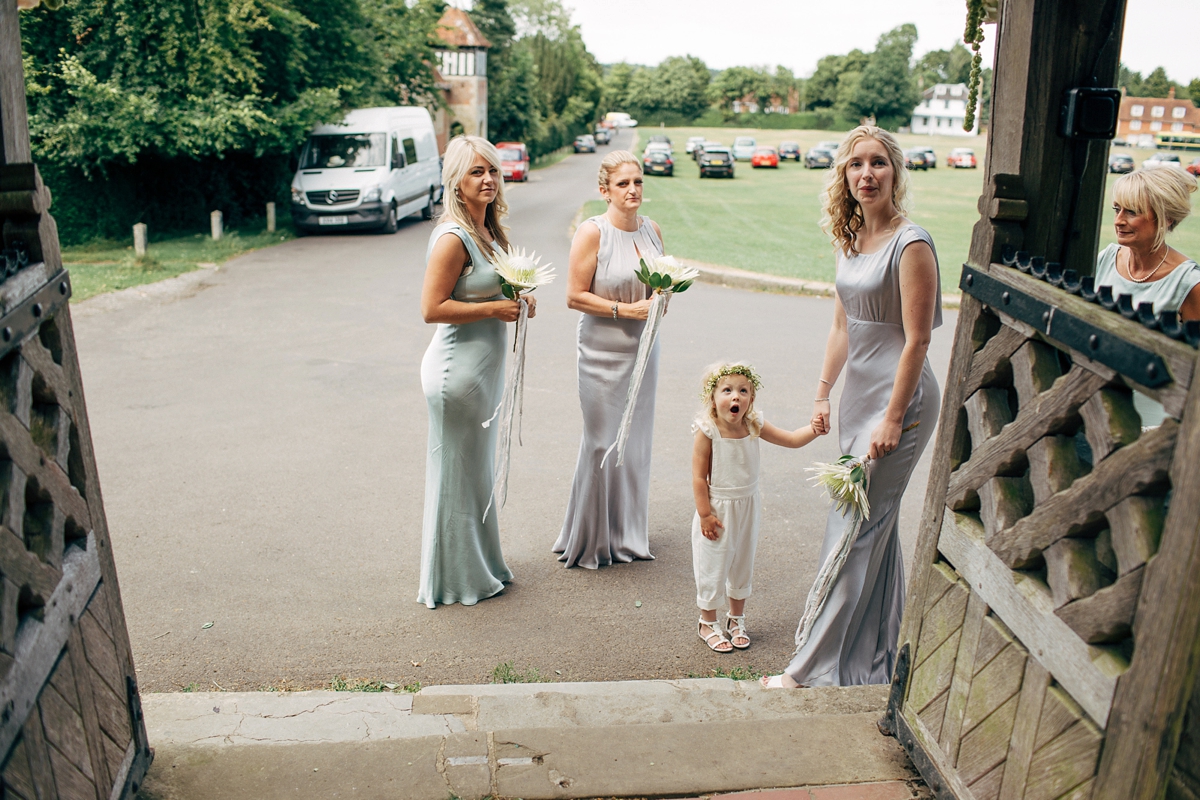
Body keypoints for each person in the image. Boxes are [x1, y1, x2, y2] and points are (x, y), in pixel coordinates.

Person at [762, 126, 941, 687]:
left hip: (900, 401)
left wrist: (892, 416)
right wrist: (822, 391)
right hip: (859, 394)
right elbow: (843, 324)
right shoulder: (850, 238)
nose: (867, 174)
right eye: (856, 164)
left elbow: (917, 340)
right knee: (872, 527)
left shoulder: (911, 244)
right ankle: (873, 660)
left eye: (879, 163)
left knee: (855, 528)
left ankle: (809, 669)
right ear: (844, 174)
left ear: (896, 172)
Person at [418, 136, 536, 608]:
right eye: (475, 172)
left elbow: (488, 292)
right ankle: (453, 581)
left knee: (475, 476)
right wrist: (493, 309)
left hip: (482, 375)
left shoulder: (490, 230)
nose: (487, 179)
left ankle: (483, 566)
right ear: (456, 181)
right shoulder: (453, 237)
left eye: (492, 170)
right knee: (455, 477)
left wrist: (518, 301)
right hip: (456, 376)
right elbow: (432, 308)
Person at [555, 150, 664, 569]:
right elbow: (573, 296)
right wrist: (626, 311)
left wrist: (659, 302)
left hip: (645, 349)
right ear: (605, 190)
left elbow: (660, 287)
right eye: (623, 184)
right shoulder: (592, 232)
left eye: (637, 181)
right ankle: (592, 538)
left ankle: (627, 533)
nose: (633, 189)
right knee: (602, 441)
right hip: (601, 351)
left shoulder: (653, 231)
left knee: (636, 442)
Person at [691, 362, 821, 653]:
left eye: (743, 391)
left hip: (748, 505)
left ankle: (736, 618)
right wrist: (705, 515)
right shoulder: (707, 431)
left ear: (751, 399)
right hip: (718, 509)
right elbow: (699, 477)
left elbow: (790, 439)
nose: (735, 397)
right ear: (713, 398)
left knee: (742, 562)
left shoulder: (753, 425)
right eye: (727, 390)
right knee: (712, 564)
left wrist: (813, 430)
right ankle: (707, 621)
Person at [1094, 167, 1198, 429]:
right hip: (1097, 409)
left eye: (1131, 212)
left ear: (1164, 219)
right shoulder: (1107, 258)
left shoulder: (1188, 283)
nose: (1118, 220)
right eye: (1116, 209)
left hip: (1155, 424)